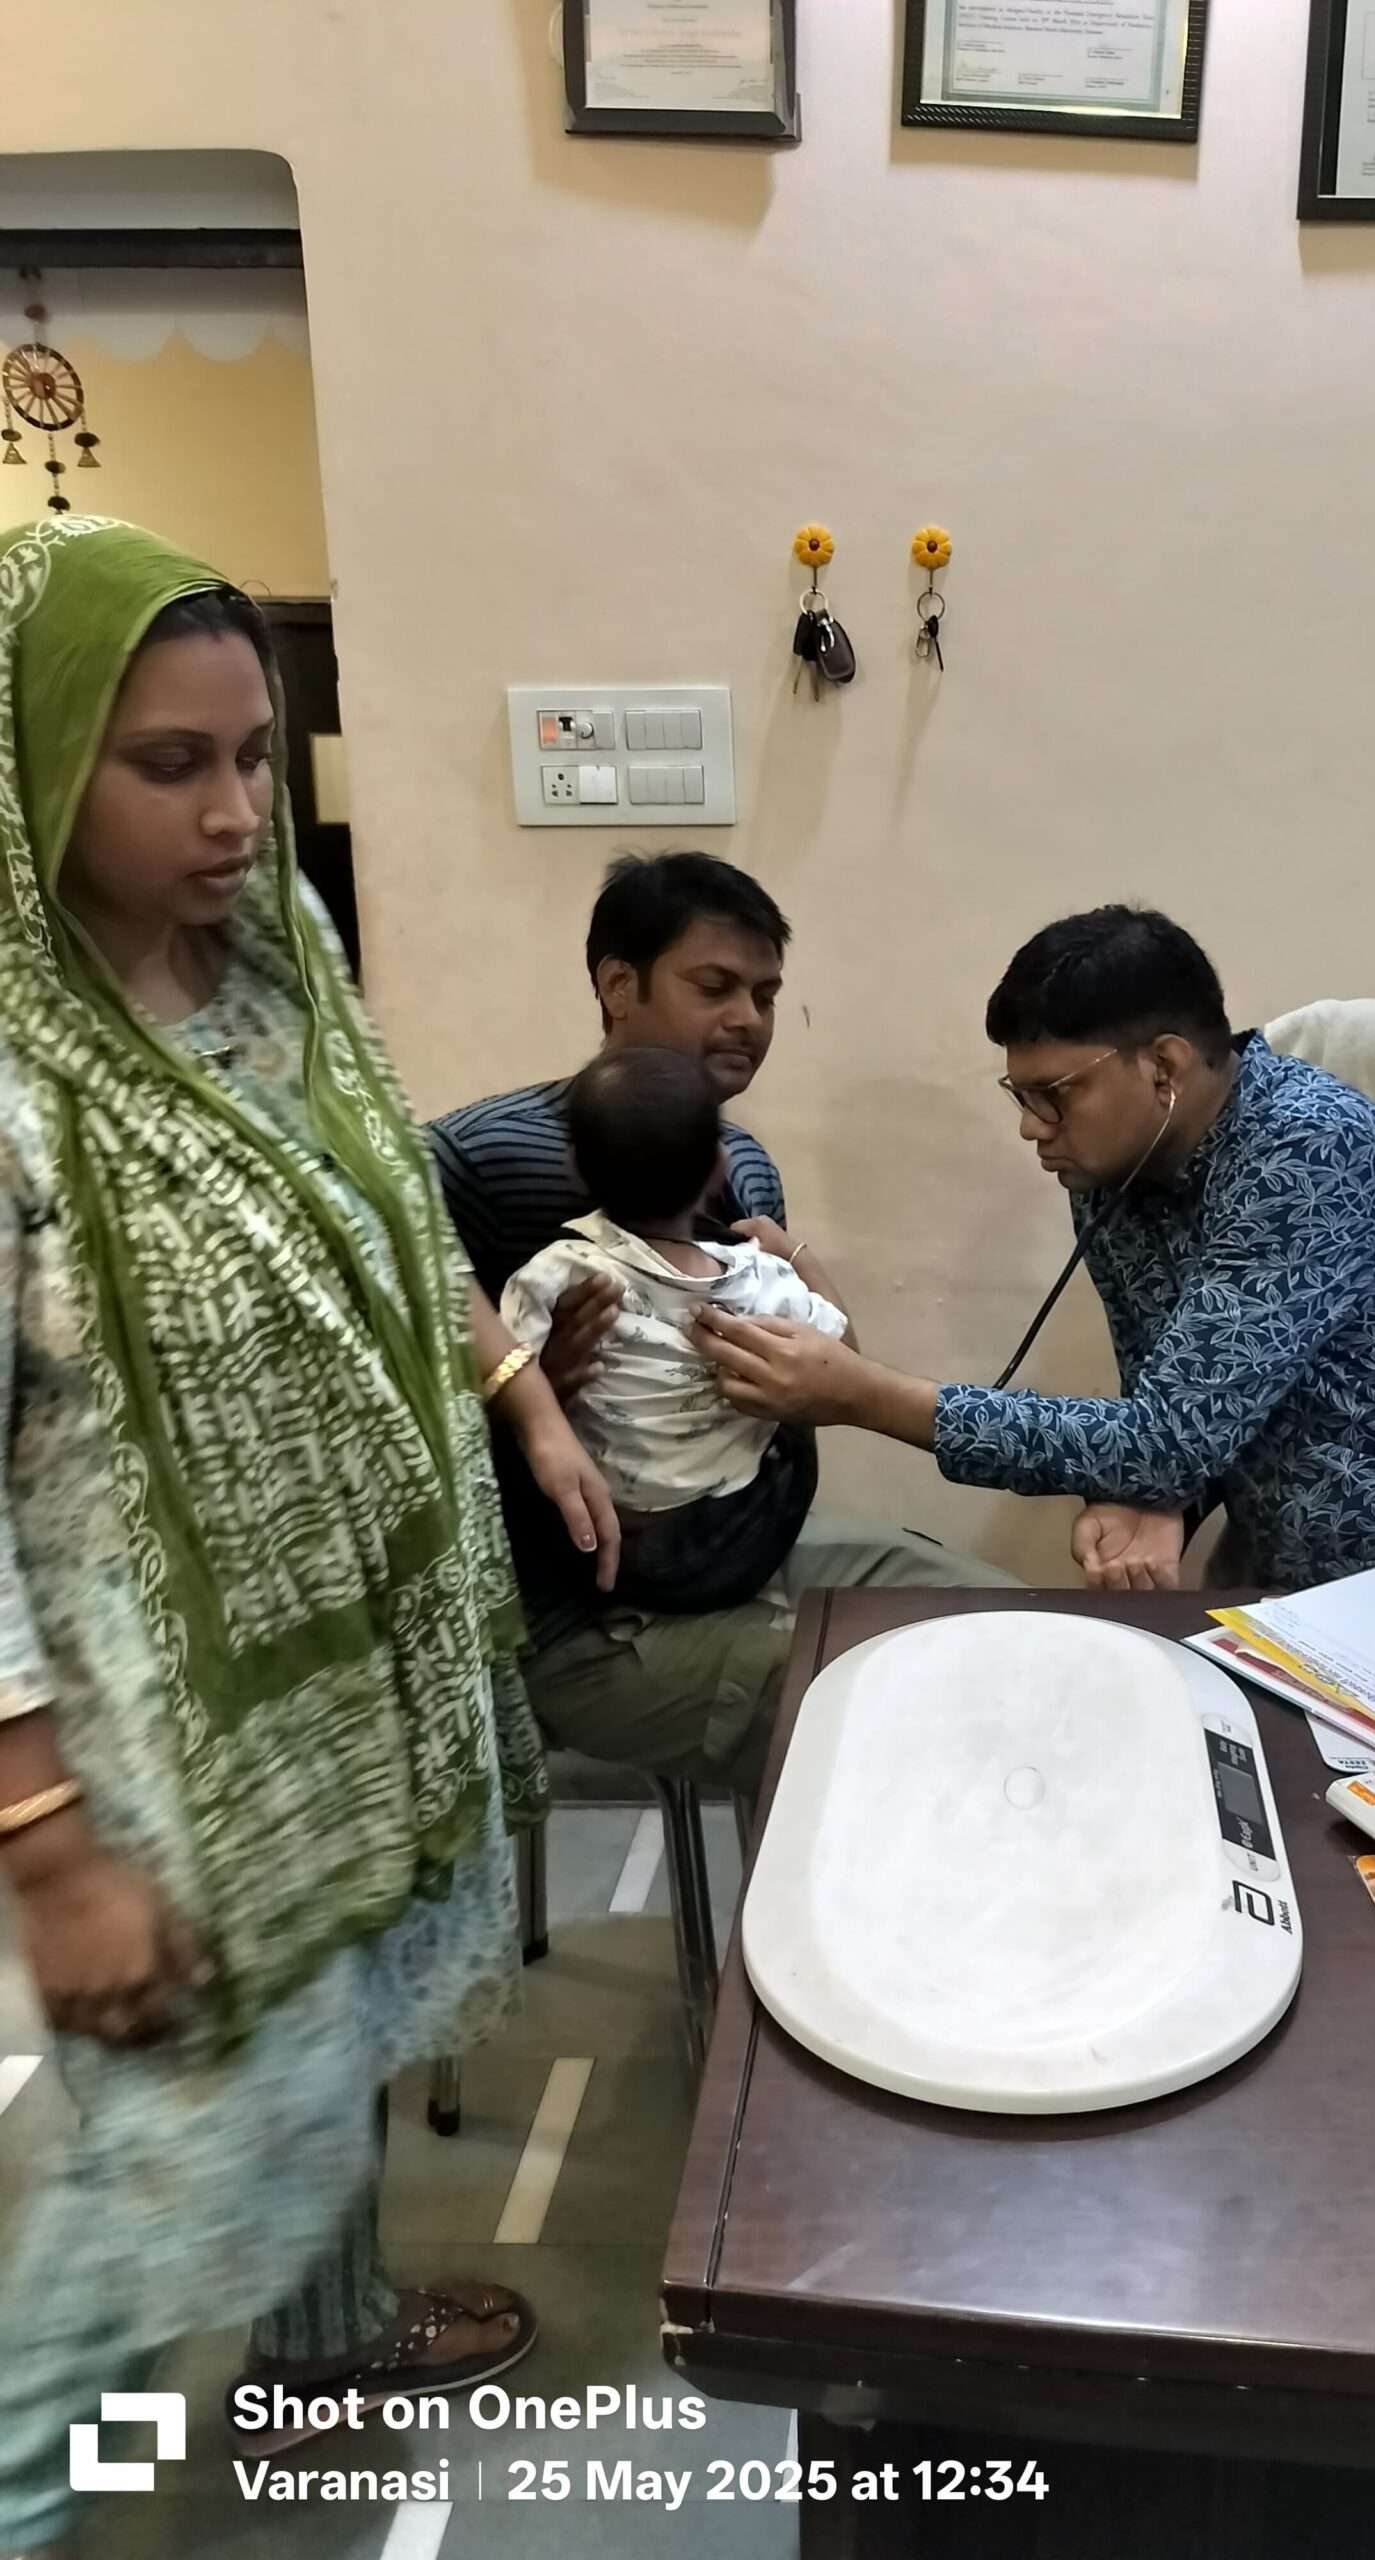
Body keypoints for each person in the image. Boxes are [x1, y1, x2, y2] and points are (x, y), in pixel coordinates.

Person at [0, 518, 619, 2556]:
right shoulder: (16, 1077)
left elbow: (396, 1216)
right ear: (36, 764)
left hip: (352, 1676)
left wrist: (522, 1395)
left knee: (342, 2033)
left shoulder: (277, 965)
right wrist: (48, 1849)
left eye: (257, 754)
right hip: (158, 1747)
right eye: (168, 763)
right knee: (136, 2219)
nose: (237, 813)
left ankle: (326, 2354)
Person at [695, 905, 1375, 1604]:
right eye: (1019, 1094)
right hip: (1331, 1611)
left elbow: (1162, 1437)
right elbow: (1184, 1414)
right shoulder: (1112, 1175)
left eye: (1055, 1093)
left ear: (1166, 1068)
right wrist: (1158, 1501)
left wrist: (863, 1396)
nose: (1031, 1126)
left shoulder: (1310, 1148)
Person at [430, 851, 1015, 1803]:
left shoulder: (742, 1164)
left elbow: (820, 1369)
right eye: (715, 987)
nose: (749, 1018)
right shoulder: (482, 1158)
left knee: (1015, 1626)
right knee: (925, 1710)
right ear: (619, 985)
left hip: (747, 1555)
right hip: (577, 1620)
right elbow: (387, 1380)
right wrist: (527, 1392)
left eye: (766, 994)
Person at [502, 1047, 853, 1613]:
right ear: (719, 1166)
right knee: (791, 1429)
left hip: (617, 1543)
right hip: (740, 1537)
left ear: (574, 1169)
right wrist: (796, 1254)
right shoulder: (760, 1277)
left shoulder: (559, 1273)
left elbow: (506, 1372)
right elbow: (846, 1354)